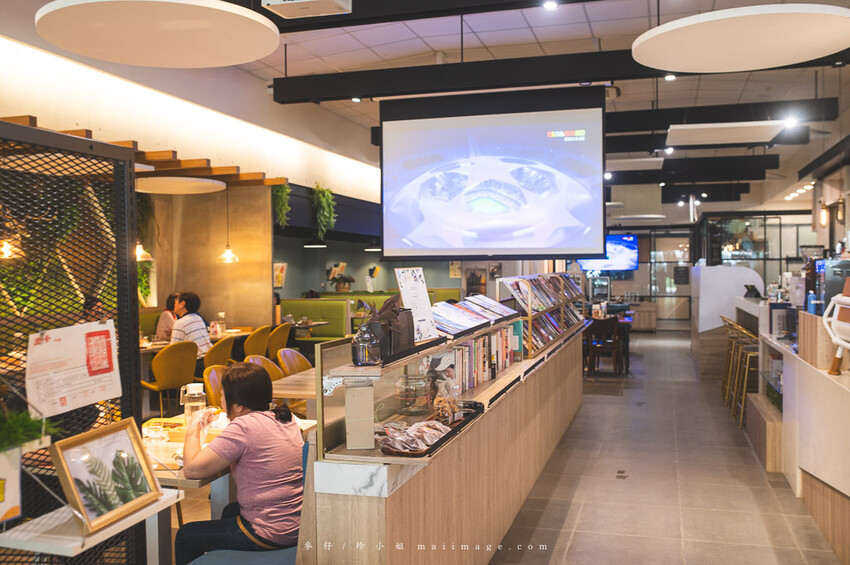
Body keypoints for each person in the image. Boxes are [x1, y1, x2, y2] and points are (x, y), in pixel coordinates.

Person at [174, 363, 304, 565]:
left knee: (185, 536)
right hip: (296, 523)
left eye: (223, 395)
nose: (220, 400)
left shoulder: (244, 426)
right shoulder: (286, 418)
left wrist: (194, 427)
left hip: (270, 532)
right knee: (230, 511)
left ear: (239, 405)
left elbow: (191, 469)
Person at [170, 290, 212, 378]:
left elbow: (173, 350)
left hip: (196, 366)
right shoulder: (198, 318)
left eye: (176, 301)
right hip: (209, 361)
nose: (174, 304)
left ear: (182, 304)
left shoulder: (180, 323)